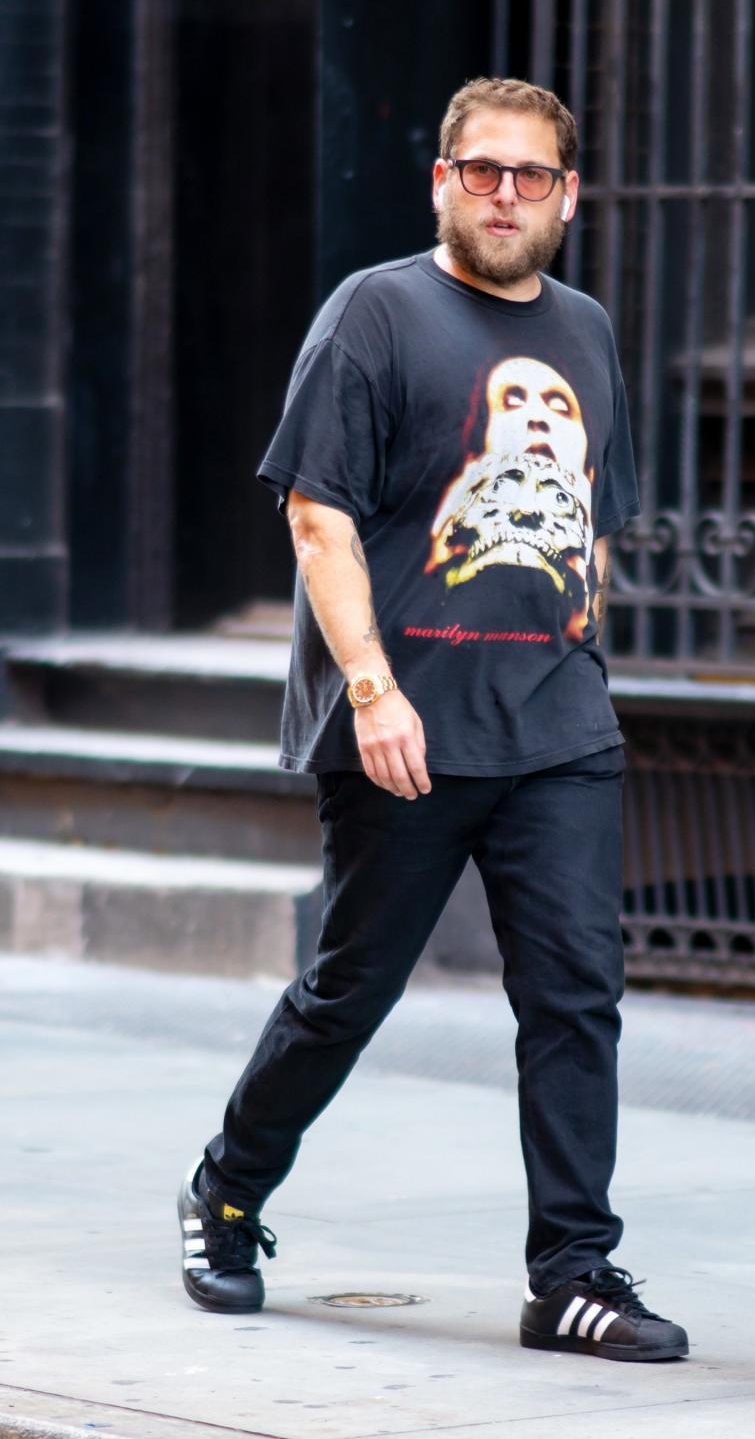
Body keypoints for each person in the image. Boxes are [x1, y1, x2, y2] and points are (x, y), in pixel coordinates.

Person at [177, 76, 689, 1365]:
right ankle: (226, 1192)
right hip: (403, 727)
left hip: (556, 729)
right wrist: (371, 689)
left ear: (568, 195)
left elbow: (589, 525)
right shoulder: (376, 313)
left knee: (577, 997)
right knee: (351, 988)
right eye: (482, 171)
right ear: (443, 180)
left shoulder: (587, 330)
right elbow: (318, 516)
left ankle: (572, 1273)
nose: (504, 195)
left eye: (530, 176)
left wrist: (583, 662)